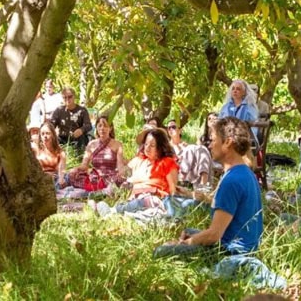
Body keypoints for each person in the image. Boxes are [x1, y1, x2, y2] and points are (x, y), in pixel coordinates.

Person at [154, 117, 285, 290]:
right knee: (188, 232)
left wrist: (182, 245)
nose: (209, 144)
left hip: (229, 252)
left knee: (160, 252)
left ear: (228, 143)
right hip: (243, 245)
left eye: (214, 140)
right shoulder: (245, 173)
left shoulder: (232, 180)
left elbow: (214, 235)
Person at [102, 128, 178, 216]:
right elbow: (123, 173)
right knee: (132, 203)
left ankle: (112, 212)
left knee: (142, 202)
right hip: (134, 197)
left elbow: (173, 191)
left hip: (153, 198)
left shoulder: (167, 162)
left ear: (160, 147)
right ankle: (108, 208)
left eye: (152, 145)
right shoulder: (140, 160)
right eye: (146, 144)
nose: (147, 148)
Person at [61, 115, 126, 198]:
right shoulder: (91, 144)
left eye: (105, 126)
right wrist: (76, 169)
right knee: (72, 175)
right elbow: (84, 165)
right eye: (100, 126)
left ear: (111, 128)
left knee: (120, 180)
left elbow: (120, 165)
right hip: (94, 177)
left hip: (110, 177)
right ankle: (100, 192)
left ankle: (99, 192)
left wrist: (121, 173)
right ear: (96, 128)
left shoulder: (117, 145)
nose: (102, 128)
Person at [165, 118, 214, 217]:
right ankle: (202, 188)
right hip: (177, 174)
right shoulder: (167, 147)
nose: (170, 129)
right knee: (197, 149)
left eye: (173, 127)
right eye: (168, 128)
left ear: (180, 130)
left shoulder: (186, 145)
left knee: (201, 149)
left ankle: (203, 186)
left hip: (191, 173)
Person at [49, 88, 92, 157]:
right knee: (52, 138)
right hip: (62, 137)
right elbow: (52, 124)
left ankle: (80, 159)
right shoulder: (59, 110)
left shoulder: (82, 110)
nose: (67, 99)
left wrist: (81, 130)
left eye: (70, 97)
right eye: (64, 97)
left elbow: (88, 125)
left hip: (77, 137)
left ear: (74, 96)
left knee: (82, 138)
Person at [35, 121, 67, 186]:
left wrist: (61, 180)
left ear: (53, 134)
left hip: (55, 181)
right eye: (42, 134)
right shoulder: (36, 150)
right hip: (39, 180)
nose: (45, 136)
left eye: (47, 133)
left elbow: (62, 171)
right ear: (40, 136)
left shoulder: (60, 152)